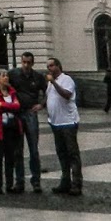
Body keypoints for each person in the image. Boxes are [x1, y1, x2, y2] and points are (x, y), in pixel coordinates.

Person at [8, 51, 46, 192]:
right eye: (24, 62)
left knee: (34, 150)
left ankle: (36, 181)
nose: (26, 65)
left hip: (30, 113)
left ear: (32, 63)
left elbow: (48, 91)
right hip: (17, 113)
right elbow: (1, 83)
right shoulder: (13, 74)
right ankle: (20, 182)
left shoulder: (38, 76)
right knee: (18, 150)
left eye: (29, 63)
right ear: (21, 61)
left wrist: (42, 104)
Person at [44, 57, 82, 196]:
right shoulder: (50, 83)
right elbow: (49, 97)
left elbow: (66, 95)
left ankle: (76, 183)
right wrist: (42, 105)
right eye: (48, 66)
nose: (50, 68)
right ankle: (65, 182)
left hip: (68, 122)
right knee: (62, 154)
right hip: (56, 122)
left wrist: (53, 82)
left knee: (72, 154)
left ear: (59, 66)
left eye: (52, 65)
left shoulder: (66, 79)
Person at [0, 68, 25, 194]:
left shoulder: (12, 92)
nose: (6, 77)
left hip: (11, 128)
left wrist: (2, 105)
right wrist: (7, 106)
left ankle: (9, 184)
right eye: (3, 76)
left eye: (7, 75)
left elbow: (17, 106)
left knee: (10, 157)